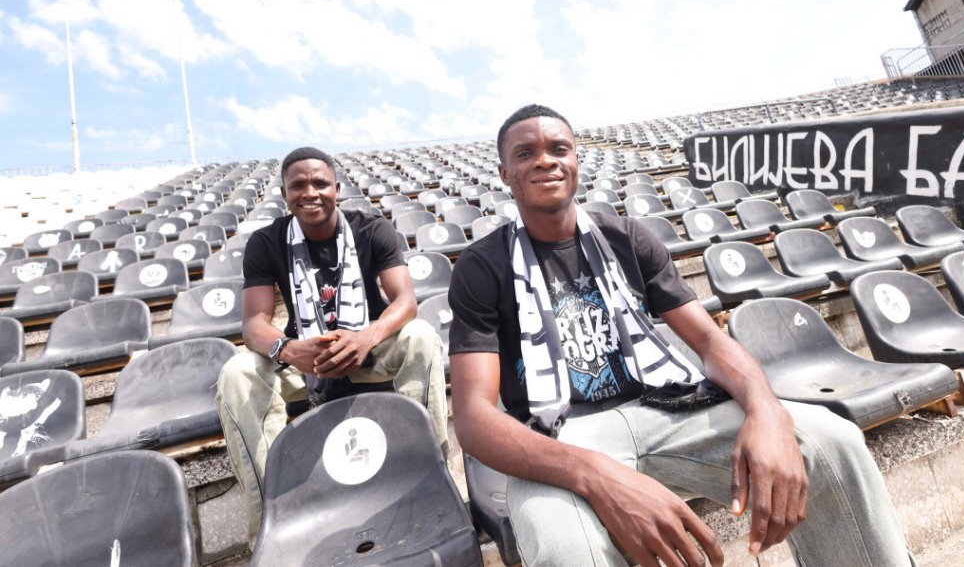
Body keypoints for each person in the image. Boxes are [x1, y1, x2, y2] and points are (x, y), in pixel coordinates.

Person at [448, 105, 913, 567]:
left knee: (833, 443)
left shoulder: (627, 238)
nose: (545, 161)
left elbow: (709, 341)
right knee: (567, 549)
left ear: (575, 160)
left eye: (558, 149)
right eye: (525, 153)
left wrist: (766, 409)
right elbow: (473, 419)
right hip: (560, 437)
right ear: (505, 173)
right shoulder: (481, 266)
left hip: (664, 408)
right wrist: (596, 473)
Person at [216, 146, 448, 545]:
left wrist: (366, 337)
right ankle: (271, 520)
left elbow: (406, 301)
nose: (310, 192)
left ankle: (432, 478)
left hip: (370, 349)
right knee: (237, 373)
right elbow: (254, 325)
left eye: (320, 183)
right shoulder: (266, 242)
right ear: (285, 194)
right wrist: (290, 350)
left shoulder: (372, 228)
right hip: (305, 357)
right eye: (298, 185)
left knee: (421, 337)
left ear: (337, 189)